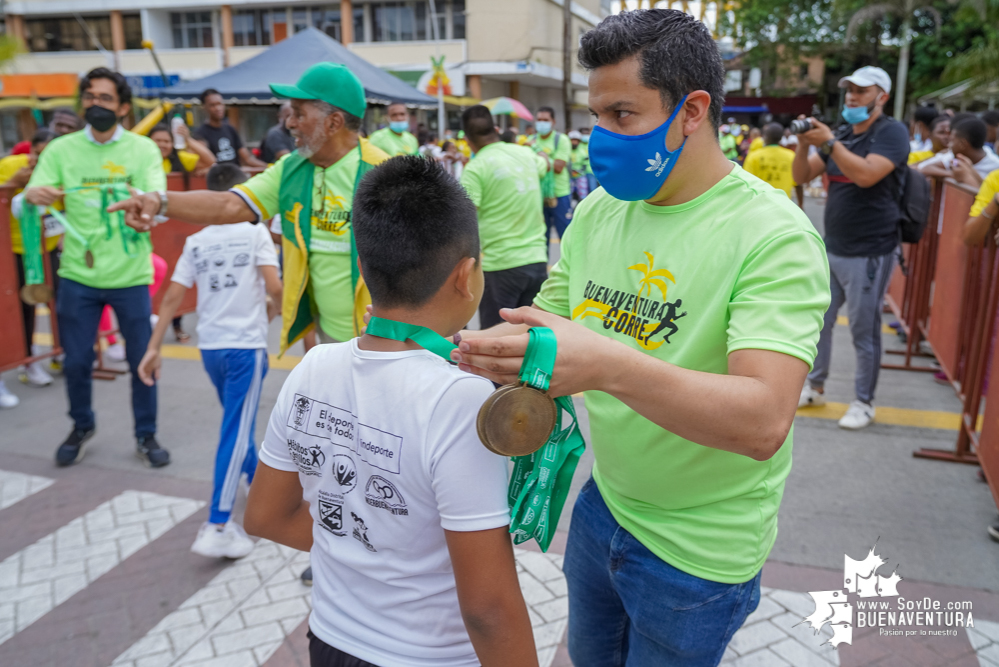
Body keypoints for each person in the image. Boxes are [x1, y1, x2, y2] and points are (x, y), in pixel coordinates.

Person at [450, 9, 829, 665]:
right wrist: (478, 352)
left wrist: (607, 367)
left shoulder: (773, 236)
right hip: (605, 507)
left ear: (691, 110)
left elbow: (763, 419)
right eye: (594, 115)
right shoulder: (599, 211)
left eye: (622, 115)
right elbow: (543, 329)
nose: (600, 137)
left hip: (698, 550)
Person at [244, 156, 538, 667]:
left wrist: (366, 554)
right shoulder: (458, 399)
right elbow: (489, 610)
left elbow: (264, 516)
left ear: (363, 267)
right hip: (428, 657)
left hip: (330, 639)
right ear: (466, 276)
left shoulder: (314, 366)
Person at [110, 63, 388, 376]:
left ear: (334, 122)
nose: (289, 123)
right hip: (326, 337)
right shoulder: (292, 168)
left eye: (298, 113)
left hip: (383, 340)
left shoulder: (386, 173)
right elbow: (228, 205)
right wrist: (159, 201)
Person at [23, 67, 169, 467]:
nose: (95, 105)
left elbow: (158, 200)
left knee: (143, 360)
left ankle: (146, 433)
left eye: (105, 99)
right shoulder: (61, 149)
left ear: (123, 107)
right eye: (89, 97)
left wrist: (148, 210)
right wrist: (31, 194)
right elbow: (26, 200)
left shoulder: (142, 150)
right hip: (77, 276)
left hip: (131, 275)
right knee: (75, 361)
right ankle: (81, 425)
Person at [138, 162, 282, 559]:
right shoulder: (256, 233)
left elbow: (171, 297)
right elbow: (274, 287)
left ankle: (254, 478)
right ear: (240, 195)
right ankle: (218, 523)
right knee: (235, 429)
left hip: (211, 348)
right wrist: (284, 320)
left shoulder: (198, 240)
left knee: (237, 421)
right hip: (246, 348)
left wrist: (154, 346)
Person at [792, 65, 909, 430]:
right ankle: (816, 386)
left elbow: (866, 174)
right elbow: (801, 175)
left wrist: (828, 142)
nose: (852, 97)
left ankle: (864, 401)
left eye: (861, 91)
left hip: (870, 250)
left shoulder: (892, 133)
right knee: (819, 322)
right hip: (834, 246)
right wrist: (803, 142)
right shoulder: (842, 133)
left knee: (863, 329)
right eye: (849, 91)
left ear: (882, 97)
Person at [459, 104, 549, 328]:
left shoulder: (475, 169)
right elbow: (545, 164)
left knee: (494, 345)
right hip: (537, 261)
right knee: (530, 339)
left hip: (499, 266)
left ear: (468, 140)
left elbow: (463, 220)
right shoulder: (525, 154)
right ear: (496, 130)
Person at [0, 129, 58, 405]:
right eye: (40, 154)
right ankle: (19, 364)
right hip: (10, 253)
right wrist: (12, 184)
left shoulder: (59, 172)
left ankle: (45, 357)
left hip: (42, 252)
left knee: (51, 303)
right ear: (31, 151)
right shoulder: (10, 166)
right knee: (13, 312)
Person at [193, 88, 265, 168]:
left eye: (219, 104)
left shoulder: (230, 129)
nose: (218, 108)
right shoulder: (200, 134)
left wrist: (269, 167)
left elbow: (247, 159)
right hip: (216, 178)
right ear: (204, 107)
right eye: (212, 105)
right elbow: (204, 163)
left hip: (236, 176)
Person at [922, 116, 999, 188]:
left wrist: (968, 175)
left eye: (952, 141)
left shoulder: (995, 166)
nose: (949, 145)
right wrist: (952, 174)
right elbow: (924, 168)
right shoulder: (956, 157)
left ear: (962, 144)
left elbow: (986, 195)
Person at [534, 106, 573, 242]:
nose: (541, 123)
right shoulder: (531, 140)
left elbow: (559, 167)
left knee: (566, 236)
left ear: (553, 122)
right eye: (539, 120)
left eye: (545, 120)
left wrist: (540, 155)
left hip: (559, 194)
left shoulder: (561, 140)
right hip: (538, 195)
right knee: (541, 239)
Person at [743, 122, 800, 206]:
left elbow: (746, 183)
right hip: (784, 204)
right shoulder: (791, 156)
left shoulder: (753, 156)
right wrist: (801, 204)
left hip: (759, 204)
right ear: (781, 138)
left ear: (765, 137)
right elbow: (798, 183)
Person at [150, 122, 215, 176]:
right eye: (158, 141)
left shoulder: (179, 158)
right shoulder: (142, 159)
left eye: (167, 141)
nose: (162, 145)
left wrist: (188, 139)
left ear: (173, 144)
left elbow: (211, 161)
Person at [568, 130, 591, 201]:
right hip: (569, 175)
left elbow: (584, 166)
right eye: (572, 140)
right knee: (568, 193)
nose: (574, 142)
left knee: (583, 193)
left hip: (580, 175)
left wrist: (578, 172)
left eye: (576, 140)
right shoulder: (567, 151)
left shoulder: (582, 152)